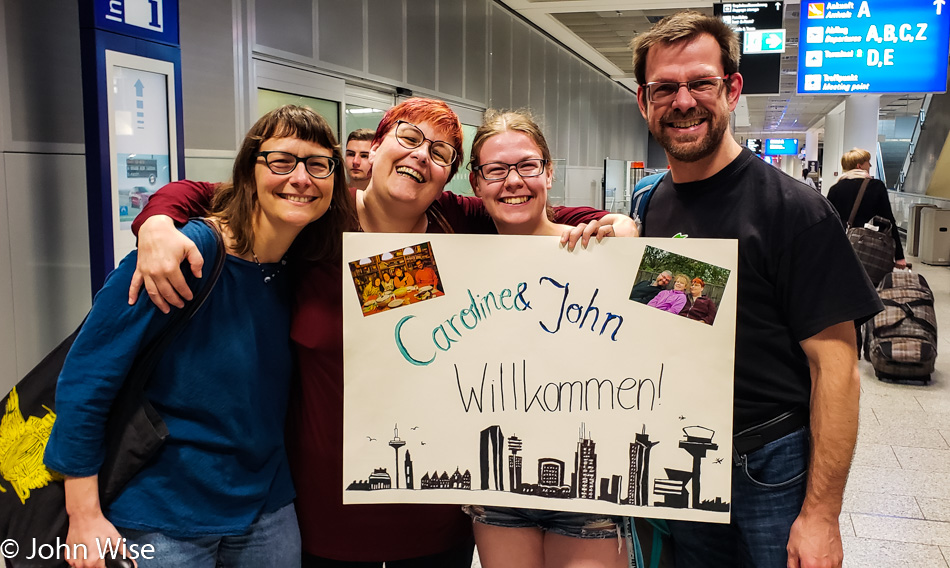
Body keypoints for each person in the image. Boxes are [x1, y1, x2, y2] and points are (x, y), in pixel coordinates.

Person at [125, 98, 633, 566]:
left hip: (433, 506)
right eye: (408, 139)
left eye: (440, 152)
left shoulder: (453, 221)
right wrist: (156, 224)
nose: (420, 157)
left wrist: (617, 226)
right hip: (324, 504)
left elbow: (529, 212)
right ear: (374, 149)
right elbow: (208, 193)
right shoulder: (319, 214)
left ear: (454, 179)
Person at [43, 105, 357, 568]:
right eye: (281, 161)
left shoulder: (306, 262)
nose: (301, 177)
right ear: (250, 171)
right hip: (162, 512)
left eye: (317, 164)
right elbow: (87, 379)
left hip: (266, 509)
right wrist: (83, 513)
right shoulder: (184, 256)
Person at [631, 12, 882, 568]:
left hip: (769, 465)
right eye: (665, 88)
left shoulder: (795, 210)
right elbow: (678, 321)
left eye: (700, 83)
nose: (683, 101)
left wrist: (820, 516)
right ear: (644, 100)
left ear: (732, 88)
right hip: (685, 463)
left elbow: (836, 370)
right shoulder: (651, 204)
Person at [463, 108, 628, 568]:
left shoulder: (602, 251)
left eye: (527, 166)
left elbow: (693, 306)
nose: (512, 180)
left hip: (590, 489)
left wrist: (628, 233)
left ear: (548, 173)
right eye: (496, 170)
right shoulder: (458, 261)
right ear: (476, 184)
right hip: (498, 489)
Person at [826, 148, 906, 268]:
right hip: (872, 250)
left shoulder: (835, 188)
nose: (870, 165)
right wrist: (899, 256)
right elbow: (889, 220)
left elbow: (829, 222)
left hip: (843, 247)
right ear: (859, 166)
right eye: (868, 162)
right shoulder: (876, 186)